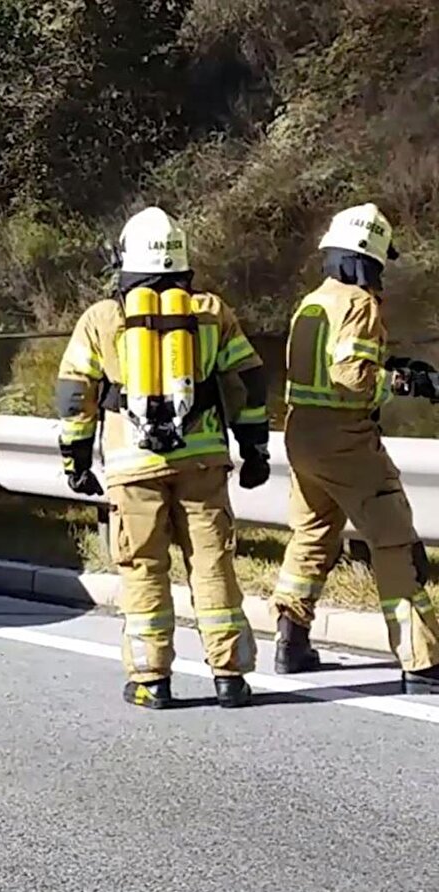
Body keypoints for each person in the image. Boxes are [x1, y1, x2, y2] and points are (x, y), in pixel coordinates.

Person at [55, 207, 270, 710]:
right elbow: (248, 381)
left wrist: (76, 459)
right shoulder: (213, 312)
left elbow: (73, 395)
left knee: (144, 569)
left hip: (133, 469)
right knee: (213, 565)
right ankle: (230, 678)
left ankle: (152, 682)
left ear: (125, 257)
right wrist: (253, 446)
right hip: (203, 465)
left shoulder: (103, 319)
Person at [270, 203, 439, 692]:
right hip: (346, 439)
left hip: (302, 436)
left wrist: (394, 366)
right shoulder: (360, 304)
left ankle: (291, 640)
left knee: (313, 534)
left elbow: (327, 367)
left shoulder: (314, 301)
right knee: (392, 539)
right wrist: (406, 382)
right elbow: (351, 377)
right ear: (370, 256)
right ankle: (422, 660)